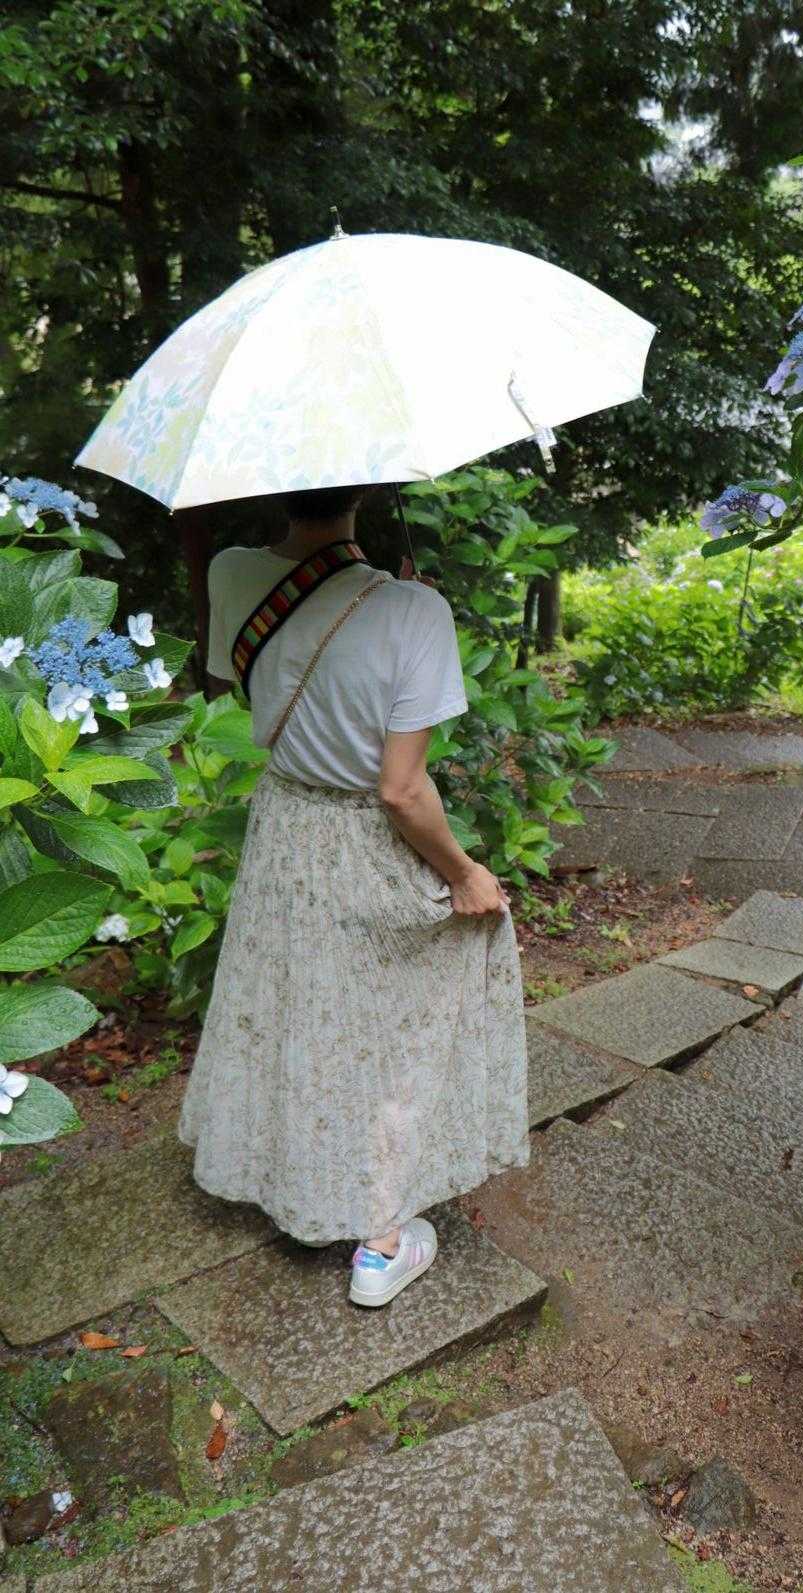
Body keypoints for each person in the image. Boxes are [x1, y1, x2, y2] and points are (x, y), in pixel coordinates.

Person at [178, 484, 529, 1307]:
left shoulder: (230, 572)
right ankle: (380, 1240)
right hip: (364, 839)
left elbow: (248, 686)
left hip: (284, 827)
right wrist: (465, 874)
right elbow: (401, 792)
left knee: (297, 1008)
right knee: (394, 1021)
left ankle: (287, 1177)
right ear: (367, 487)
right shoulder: (413, 611)